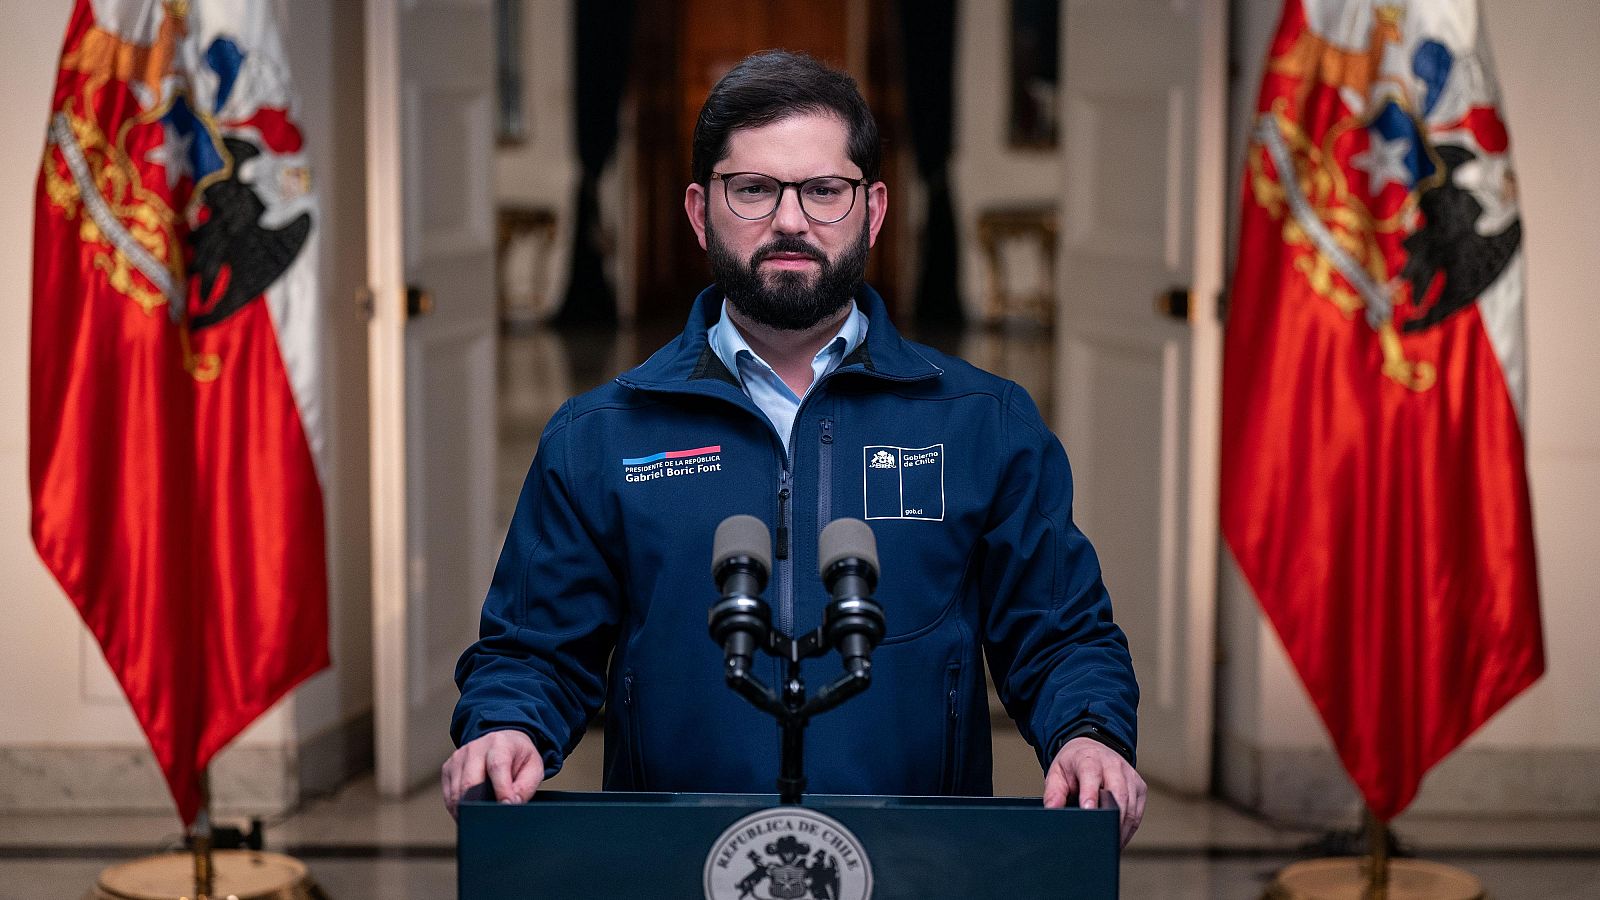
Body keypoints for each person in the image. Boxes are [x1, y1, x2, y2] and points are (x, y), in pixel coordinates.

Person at [443, 50, 1146, 847]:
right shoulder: (598, 436)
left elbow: (1058, 633)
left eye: (823, 190)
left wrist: (1088, 732)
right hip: (677, 862)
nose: (788, 220)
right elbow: (534, 650)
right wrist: (504, 726)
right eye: (753, 189)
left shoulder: (983, 423)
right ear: (700, 211)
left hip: (916, 865)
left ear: (873, 210)